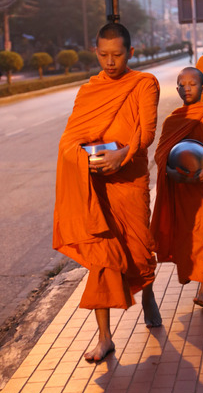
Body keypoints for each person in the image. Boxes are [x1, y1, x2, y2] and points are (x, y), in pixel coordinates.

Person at [53, 22, 162, 362]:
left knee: (139, 250)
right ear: (95, 51)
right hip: (96, 184)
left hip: (129, 180)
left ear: (131, 52)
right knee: (101, 257)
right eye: (103, 55)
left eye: (117, 55)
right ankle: (104, 337)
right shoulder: (89, 90)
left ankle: (147, 295)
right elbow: (70, 138)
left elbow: (146, 131)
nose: (110, 62)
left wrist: (122, 155)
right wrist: (82, 160)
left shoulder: (145, 83)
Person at [151, 67, 203, 307]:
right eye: (182, 84)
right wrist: (169, 171)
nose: (187, 88)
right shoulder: (173, 119)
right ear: (176, 89)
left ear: (202, 88)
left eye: (192, 84)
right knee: (187, 234)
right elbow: (161, 153)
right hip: (182, 187)